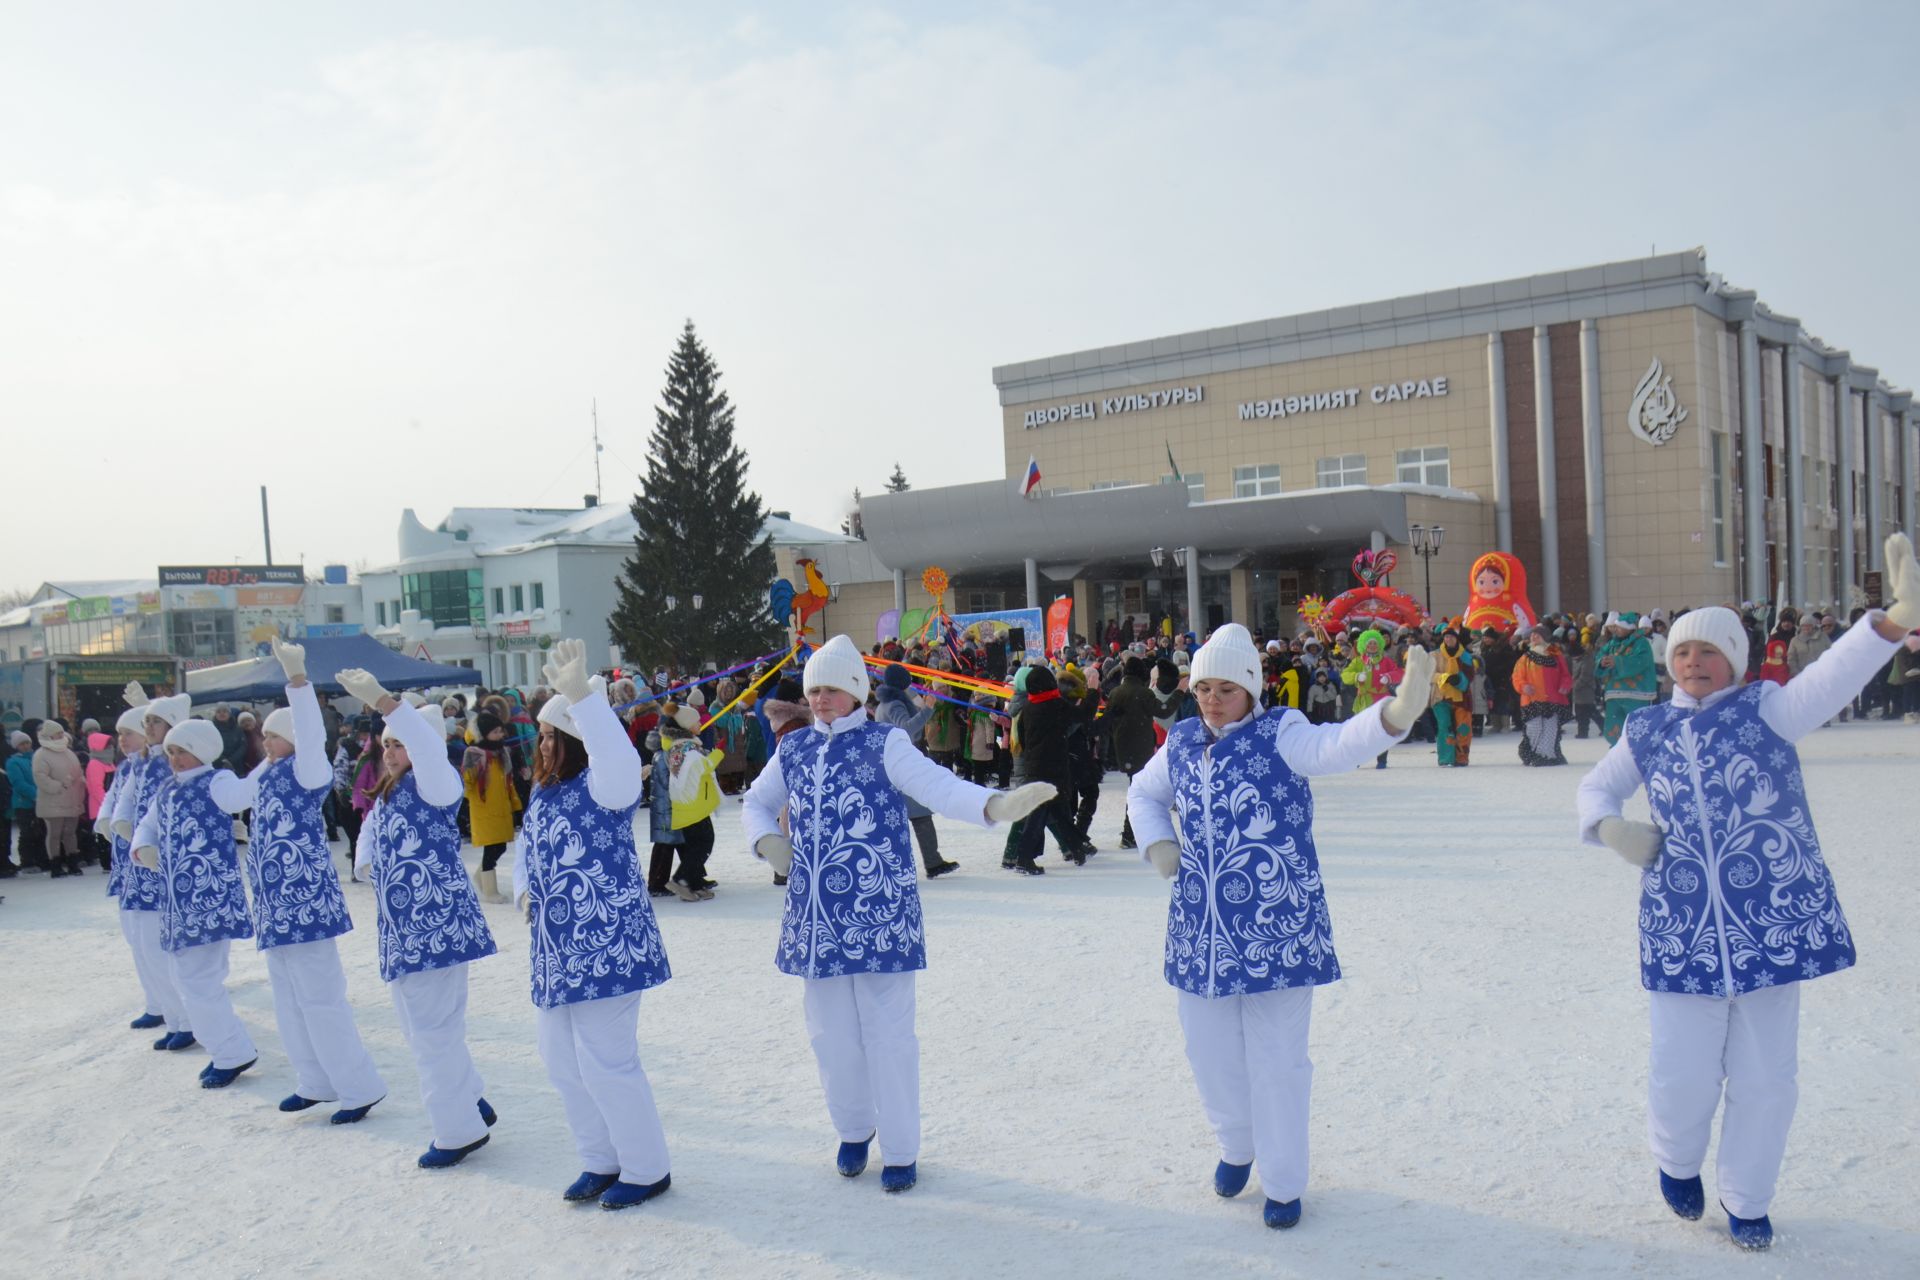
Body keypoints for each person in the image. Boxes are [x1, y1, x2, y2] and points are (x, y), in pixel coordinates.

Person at [1574, 534, 1920, 1252]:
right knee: (1681, 1074)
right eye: (1682, 653)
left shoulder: (1767, 709)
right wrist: (1608, 827)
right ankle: (1676, 1159)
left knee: (1766, 1079)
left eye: (1708, 651)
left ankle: (1748, 1197)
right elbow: (1597, 785)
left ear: (1734, 658)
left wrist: (1892, 620)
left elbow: (1829, 678)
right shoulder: (1648, 727)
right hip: (1682, 927)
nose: (1693, 662)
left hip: (1772, 923)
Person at [1126, 624, 1435, 1230]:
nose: (1211, 700)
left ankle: (1285, 1181)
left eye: (1226, 689)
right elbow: (1142, 791)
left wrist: (1394, 715)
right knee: (1209, 1053)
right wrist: (1159, 842)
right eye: (1202, 688)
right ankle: (1235, 1146)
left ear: (1251, 688)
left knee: (1278, 1061)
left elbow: (1336, 746)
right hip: (1202, 933)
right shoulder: (1184, 739)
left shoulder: (1281, 732)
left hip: (1278, 928)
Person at [742, 635, 1056, 1194]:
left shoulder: (883, 743)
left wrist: (992, 806)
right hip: (816, 920)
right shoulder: (793, 749)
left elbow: (936, 787)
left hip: (879, 913)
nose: (820, 699)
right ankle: (853, 1129)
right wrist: (767, 840)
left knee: (888, 1036)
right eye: (814, 689)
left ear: (857, 691)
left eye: (832, 689)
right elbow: (756, 802)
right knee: (830, 1037)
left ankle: (901, 1148)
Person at [510, 639, 674, 1210]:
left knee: (607, 1061)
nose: (546, 743)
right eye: (543, 735)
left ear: (580, 740)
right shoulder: (544, 794)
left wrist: (584, 698)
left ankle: (646, 1167)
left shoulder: (605, 788)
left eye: (557, 735)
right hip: (555, 948)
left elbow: (621, 764)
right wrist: (526, 890)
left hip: (608, 945)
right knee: (560, 1058)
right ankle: (600, 1158)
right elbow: (525, 854)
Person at [343, 667, 499, 1169]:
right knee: (424, 1028)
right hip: (405, 933)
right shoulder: (391, 790)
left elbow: (428, 751)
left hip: (437, 931)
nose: (389, 750)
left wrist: (389, 704)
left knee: (431, 1032)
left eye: (399, 743)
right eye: (385, 743)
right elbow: (369, 832)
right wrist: (367, 863)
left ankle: (457, 1130)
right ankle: (470, 1097)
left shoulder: (437, 782)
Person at [230, 641, 388, 1124]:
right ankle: (315, 1079)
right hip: (274, 907)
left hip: (306, 903)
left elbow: (310, 736)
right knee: (289, 998)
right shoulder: (268, 771)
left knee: (320, 999)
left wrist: (297, 683)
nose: (265, 743)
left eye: (273, 736)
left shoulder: (307, 771)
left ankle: (357, 1086)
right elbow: (233, 795)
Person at [129, 717, 260, 1089]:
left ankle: (231, 1052)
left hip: (209, 897)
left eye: (181, 751)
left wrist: (270, 757)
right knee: (188, 979)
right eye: (170, 751)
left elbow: (244, 794)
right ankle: (227, 1048)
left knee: (198, 980)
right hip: (178, 900)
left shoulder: (216, 781)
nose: (174, 758)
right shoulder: (168, 788)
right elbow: (147, 825)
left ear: (201, 751)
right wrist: (144, 847)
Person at [112, 687, 196, 1049]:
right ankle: (171, 1014)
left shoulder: (172, 762)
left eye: (153, 722)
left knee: (160, 948)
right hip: (138, 863)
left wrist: (156, 708)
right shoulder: (143, 762)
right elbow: (125, 801)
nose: (146, 728)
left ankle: (185, 1020)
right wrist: (116, 824)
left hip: (161, 866)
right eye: (144, 722)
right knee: (144, 946)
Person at [95, 703, 176, 1032]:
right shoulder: (132, 766)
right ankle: (156, 1003)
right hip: (130, 864)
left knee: (154, 942)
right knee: (136, 940)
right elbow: (116, 800)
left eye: (127, 732)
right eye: (119, 734)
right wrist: (107, 821)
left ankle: (175, 1010)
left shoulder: (165, 762)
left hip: (152, 863)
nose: (121, 739)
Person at [872, 664, 961, 877]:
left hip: (893, 766)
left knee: (900, 817)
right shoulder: (894, 705)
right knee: (920, 815)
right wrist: (928, 709)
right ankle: (931, 862)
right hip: (902, 768)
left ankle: (920, 862)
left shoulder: (885, 703)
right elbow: (907, 729)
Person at [662, 707, 723, 901]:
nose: (700, 724)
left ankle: (694, 882)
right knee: (704, 842)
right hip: (693, 805)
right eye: (696, 722)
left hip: (689, 806)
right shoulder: (687, 749)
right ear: (687, 725)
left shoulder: (680, 746)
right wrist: (718, 754)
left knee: (695, 845)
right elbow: (702, 766)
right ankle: (682, 879)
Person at [461, 712, 521, 905]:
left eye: (500, 731)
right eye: (495, 732)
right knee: (491, 848)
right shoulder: (474, 754)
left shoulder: (501, 753)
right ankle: (490, 890)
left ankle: (482, 876)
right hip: (484, 808)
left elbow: (508, 781)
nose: (500, 735)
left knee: (501, 845)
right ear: (484, 734)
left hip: (501, 807)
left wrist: (515, 804)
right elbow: (467, 781)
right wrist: (468, 800)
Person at [1101, 657, 1159, 849]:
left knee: (1137, 789)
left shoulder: (1116, 692)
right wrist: (1179, 692)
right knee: (1140, 791)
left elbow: (1108, 719)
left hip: (1123, 748)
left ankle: (1131, 833)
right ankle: (1129, 833)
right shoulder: (1144, 693)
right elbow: (1163, 711)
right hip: (1141, 749)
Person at [1511, 626, 1572, 766]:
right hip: (1532, 699)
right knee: (1534, 727)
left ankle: (1547, 755)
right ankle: (1533, 753)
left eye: (1537, 635)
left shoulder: (1556, 655)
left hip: (1553, 698)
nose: (1533, 637)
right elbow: (1517, 676)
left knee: (1550, 728)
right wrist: (1523, 686)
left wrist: (1565, 685)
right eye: (1532, 635)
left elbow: (1566, 675)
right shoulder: (1525, 657)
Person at [33, 721, 86, 876]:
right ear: (49, 735)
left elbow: (78, 771)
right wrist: (59, 785)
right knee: (55, 833)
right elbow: (40, 776)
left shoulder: (67, 751)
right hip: (53, 801)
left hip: (72, 798)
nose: (61, 735)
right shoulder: (41, 754)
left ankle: (73, 863)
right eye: (58, 733)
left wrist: (80, 781)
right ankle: (55, 864)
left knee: (70, 832)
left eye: (62, 732)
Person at [1597, 612, 1658, 744]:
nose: (1615, 629)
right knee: (1613, 726)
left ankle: (1637, 751)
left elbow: (1641, 662)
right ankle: (1616, 750)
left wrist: (1617, 662)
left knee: (1637, 726)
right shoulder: (1612, 643)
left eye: (1618, 627)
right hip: (1613, 692)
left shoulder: (1641, 643)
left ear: (1628, 628)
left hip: (1636, 692)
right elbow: (1601, 655)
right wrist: (1602, 662)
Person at [1430, 628, 1473, 767]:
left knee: (1463, 728)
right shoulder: (1434, 655)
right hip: (1440, 697)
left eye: (1452, 637)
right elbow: (1427, 674)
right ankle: (1446, 758)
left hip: (1461, 697)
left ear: (1457, 639)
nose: (1449, 639)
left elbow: (1470, 675)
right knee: (1445, 727)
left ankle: (1461, 757)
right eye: (1446, 637)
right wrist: (1445, 677)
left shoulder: (1465, 656)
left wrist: (1459, 680)